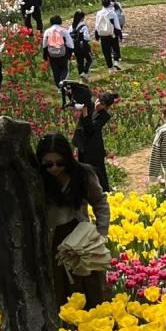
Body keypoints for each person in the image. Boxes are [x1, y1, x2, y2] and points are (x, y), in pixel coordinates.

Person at [37, 133, 111, 309]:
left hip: (81, 239)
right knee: (59, 287)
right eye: (48, 164)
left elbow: (100, 202)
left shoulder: (83, 175)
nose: (54, 168)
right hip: (53, 240)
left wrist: (102, 233)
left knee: (89, 284)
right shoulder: (37, 179)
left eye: (60, 163)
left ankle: (91, 325)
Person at [72, 90, 115, 190]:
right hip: (83, 144)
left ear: (106, 107)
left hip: (94, 148)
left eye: (102, 104)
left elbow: (90, 129)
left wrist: (85, 113)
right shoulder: (90, 107)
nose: (98, 104)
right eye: (98, 100)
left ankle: (104, 191)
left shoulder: (104, 116)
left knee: (98, 171)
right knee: (83, 169)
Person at [41, 15, 71, 87]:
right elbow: (70, 44)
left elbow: (44, 44)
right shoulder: (64, 31)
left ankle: (58, 87)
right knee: (64, 69)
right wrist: (69, 54)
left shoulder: (47, 31)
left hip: (51, 53)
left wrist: (45, 55)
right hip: (62, 53)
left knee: (55, 70)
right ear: (60, 21)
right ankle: (62, 80)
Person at [94, 0, 122, 71]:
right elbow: (116, 24)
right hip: (112, 34)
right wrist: (119, 33)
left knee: (106, 51)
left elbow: (97, 25)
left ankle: (110, 68)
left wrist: (96, 35)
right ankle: (116, 62)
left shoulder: (99, 13)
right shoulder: (112, 13)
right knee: (115, 47)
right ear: (109, 4)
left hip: (103, 35)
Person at [70, 10, 94, 77]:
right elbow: (86, 37)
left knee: (79, 61)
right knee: (89, 59)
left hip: (75, 46)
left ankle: (81, 73)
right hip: (83, 46)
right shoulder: (83, 26)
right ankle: (85, 72)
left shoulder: (71, 27)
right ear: (82, 18)